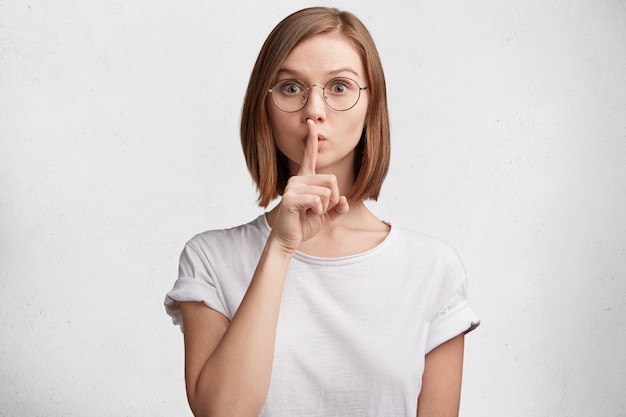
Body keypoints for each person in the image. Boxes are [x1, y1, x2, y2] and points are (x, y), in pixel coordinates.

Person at [165, 7, 479, 417]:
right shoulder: (210, 259)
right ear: (265, 106)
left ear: (372, 104)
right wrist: (280, 247)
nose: (315, 109)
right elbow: (223, 413)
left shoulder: (432, 268)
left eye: (340, 87)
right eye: (291, 88)